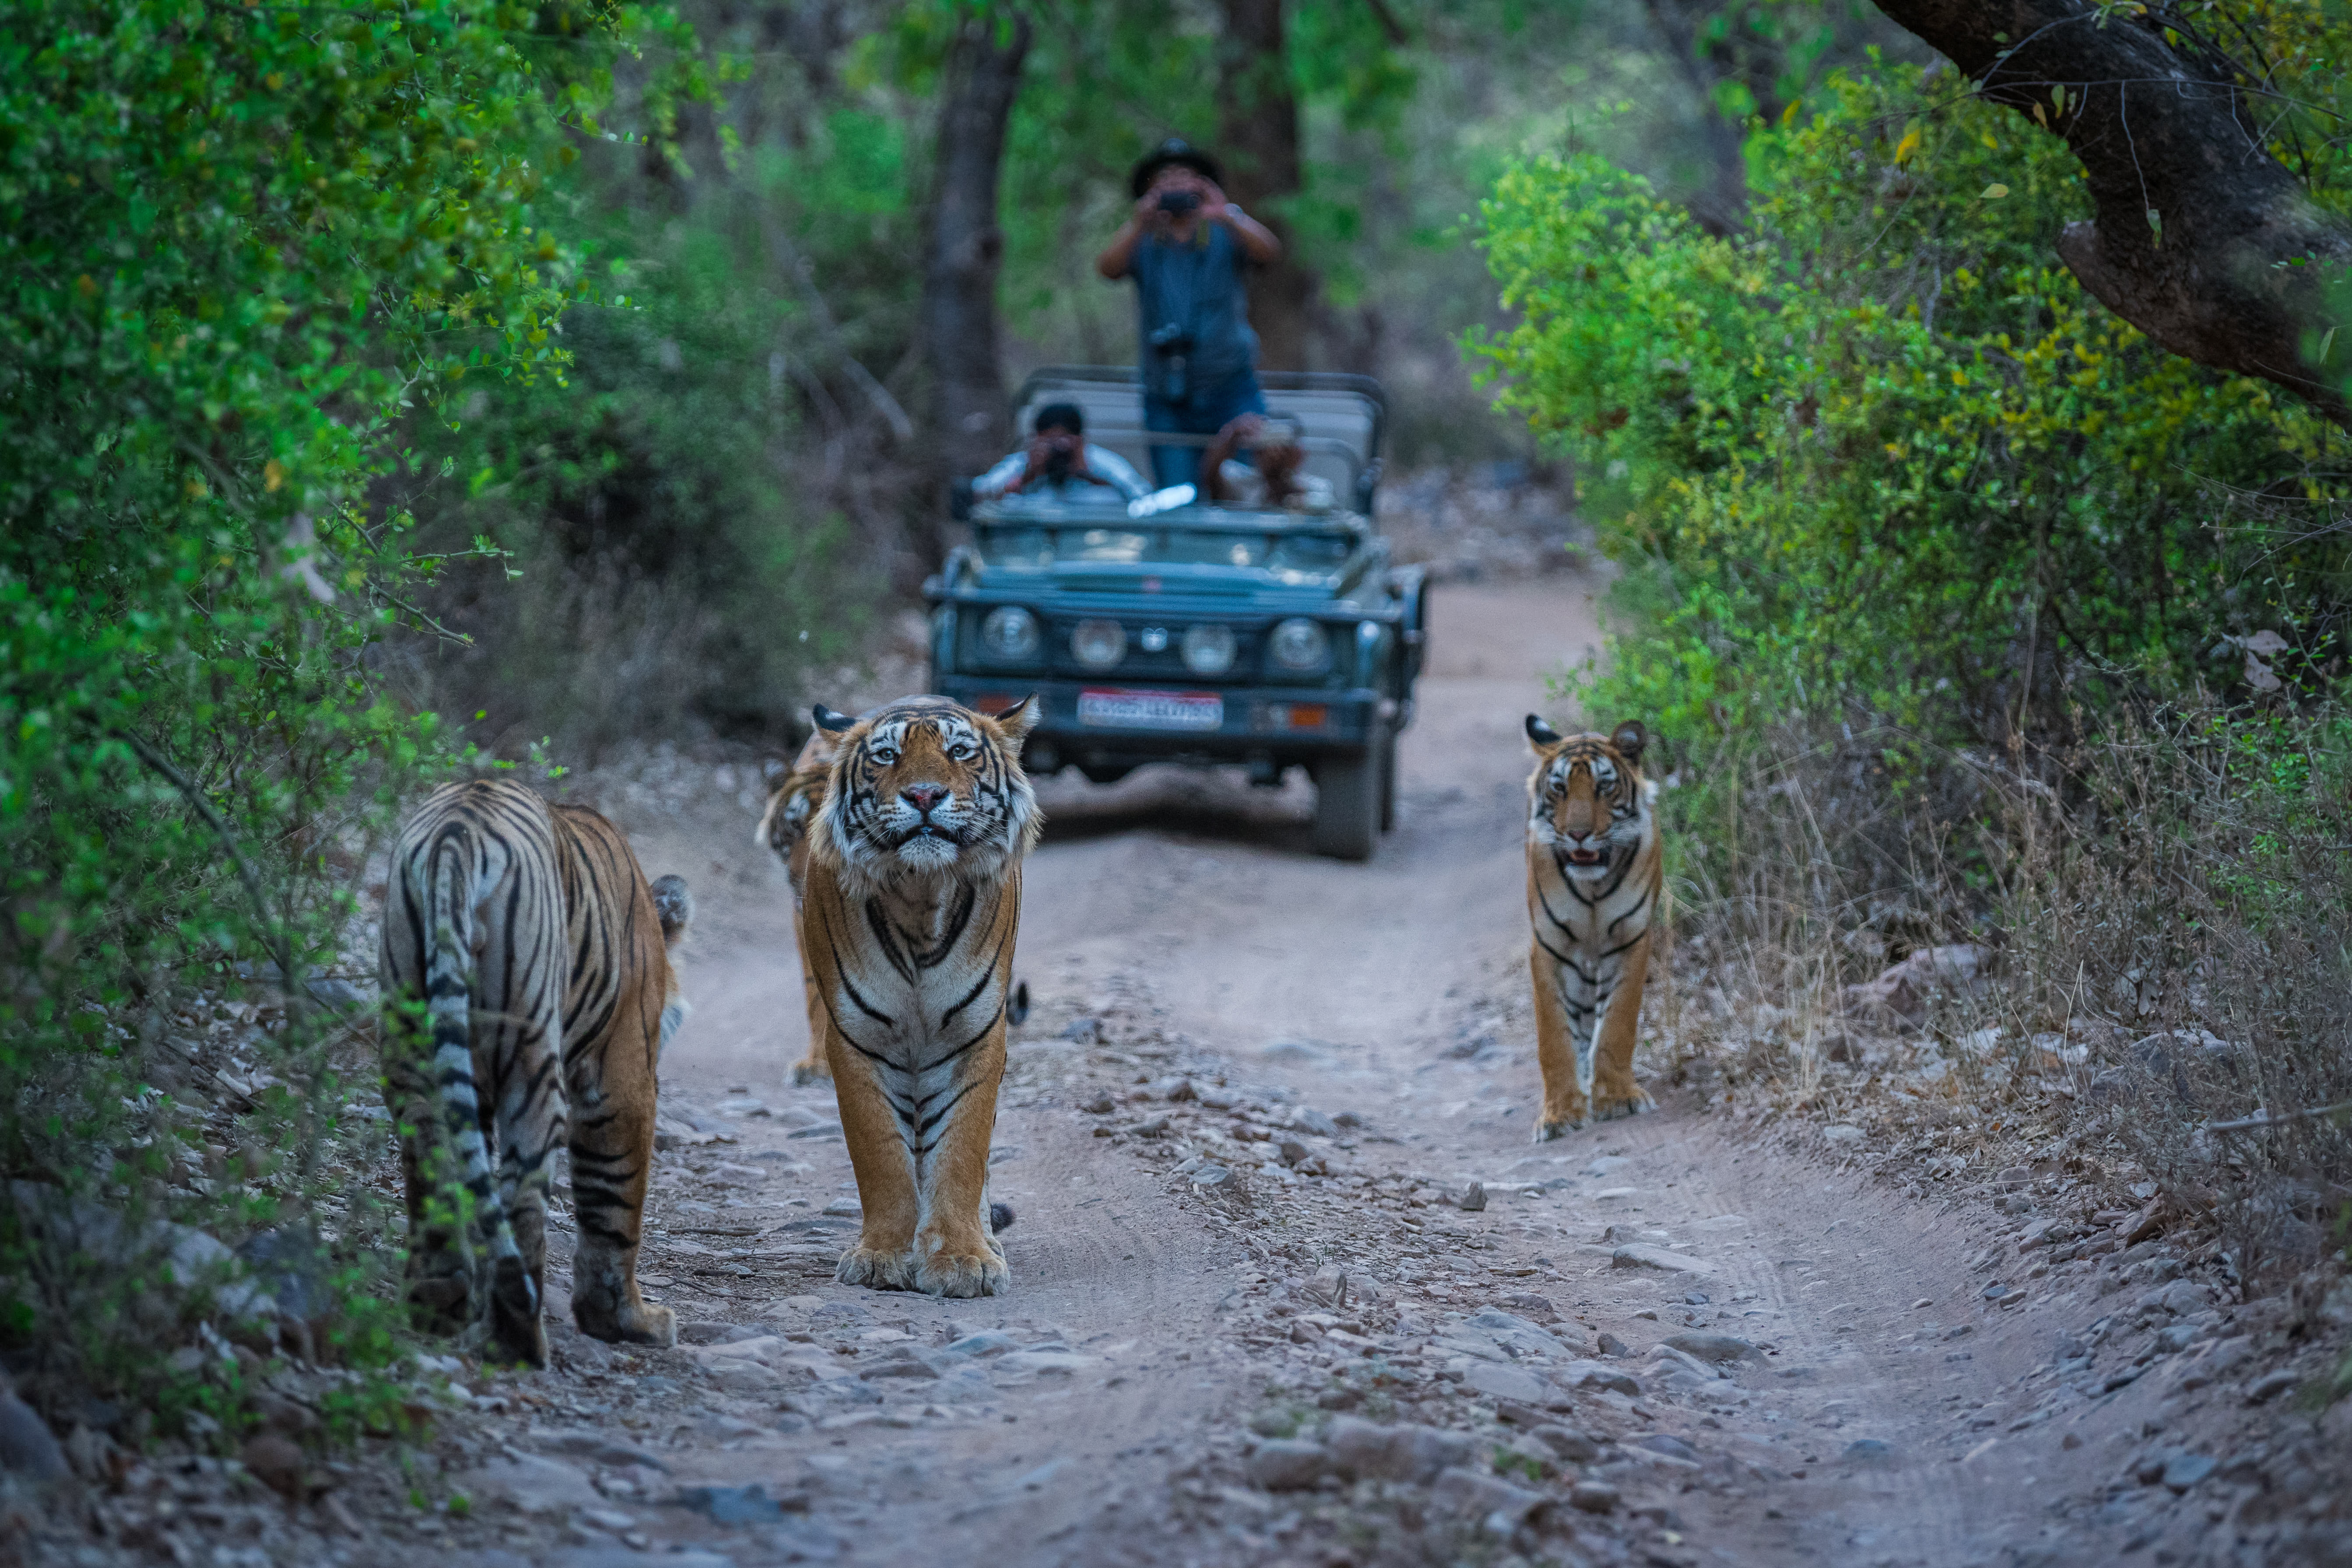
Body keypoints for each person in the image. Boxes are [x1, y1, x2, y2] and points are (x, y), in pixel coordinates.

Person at [1095, 138, 1284, 489]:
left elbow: (1269, 252)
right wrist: (1139, 223)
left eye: (1185, 177)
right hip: (1166, 394)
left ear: (1203, 185)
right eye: (1165, 179)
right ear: (1149, 190)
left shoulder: (1225, 234)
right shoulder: (1143, 241)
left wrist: (1224, 213)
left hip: (1232, 389)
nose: (1175, 185)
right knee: (1178, 497)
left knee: (1248, 489)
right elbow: (1106, 268)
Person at [970, 403, 1149, 503]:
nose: (1057, 450)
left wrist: (1086, 473)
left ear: (1080, 440)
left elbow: (1143, 498)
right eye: (1049, 441)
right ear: (1037, 439)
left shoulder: (1102, 463)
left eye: (1064, 441)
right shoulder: (1022, 464)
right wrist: (1028, 475)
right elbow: (980, 496)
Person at [1200, 414, 1333, 512]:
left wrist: (1282, 483)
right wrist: (1232, 432)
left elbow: (1323, 506)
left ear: (1298, 456)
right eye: (1264, 450)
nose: (1274, 456)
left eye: (1284, 451)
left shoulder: (1318, 488)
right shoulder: (1242, 483)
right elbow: (1211, 476)